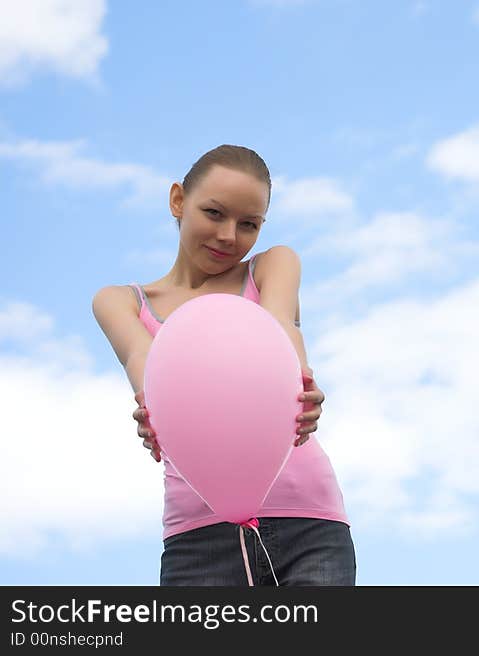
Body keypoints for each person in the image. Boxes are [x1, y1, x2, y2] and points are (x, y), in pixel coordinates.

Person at [92, 144, 355, 586]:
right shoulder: (120, 302)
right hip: (197, 540)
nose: (230, 236)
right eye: (214, 213)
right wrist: (151, 409)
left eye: (248, 224)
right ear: (178, 200)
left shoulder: (273, 266)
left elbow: (278, 331)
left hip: (308, 523)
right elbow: (146, 362)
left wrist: (300, 382)